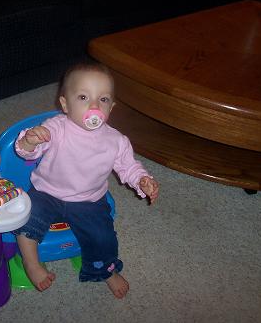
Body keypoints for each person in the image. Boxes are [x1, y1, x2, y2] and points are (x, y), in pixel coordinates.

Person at [13, 62, 159, 299]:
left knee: (104, 237)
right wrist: (30, 141)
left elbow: (128, 166)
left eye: (102, 99)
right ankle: (32, 264)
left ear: (111, 107)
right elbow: (28, 152)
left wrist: (142, 179)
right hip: (47, 192)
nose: (94, 106)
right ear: (65, 104)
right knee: (25, 216)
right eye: (83, 97)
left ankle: (105, 271)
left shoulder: (116, 140)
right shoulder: (56, 128)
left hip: (89, 199)